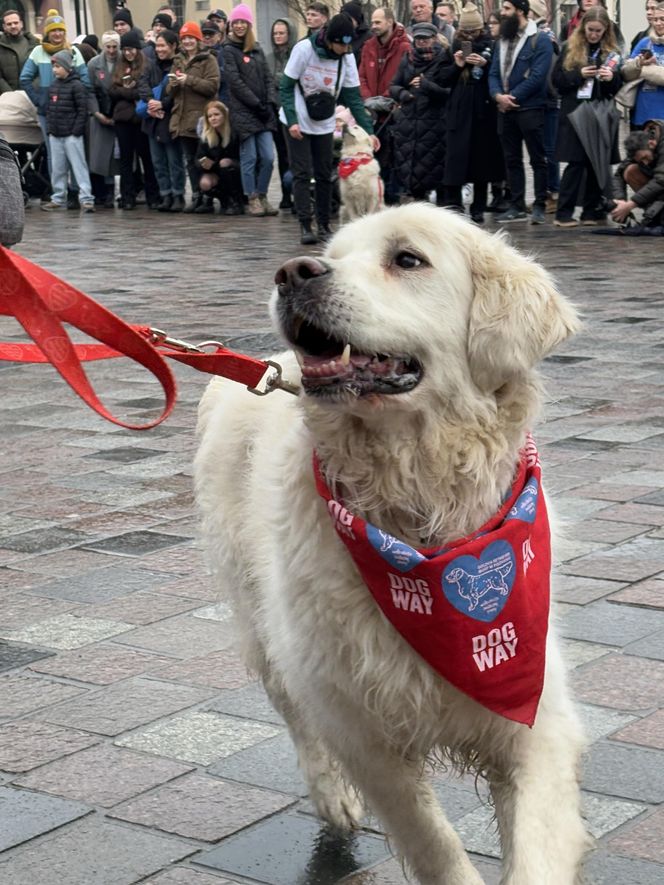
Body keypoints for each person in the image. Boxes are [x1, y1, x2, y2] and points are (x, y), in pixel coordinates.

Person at [280, 12, 376, 244]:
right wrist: (292, 120)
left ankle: (323, 224)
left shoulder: (347, 57)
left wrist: (368, 131)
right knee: (302, 173)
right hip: (298, 118)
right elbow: (285, 87)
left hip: (324, 120)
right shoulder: (304, 50)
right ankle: (305, 224)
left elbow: (353, 97)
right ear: (330, 40)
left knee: (324, 173)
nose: (345, 51)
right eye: (341, 46)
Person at [551, 7, 621, 228]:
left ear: (605, 30)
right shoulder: (570, 48)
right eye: (591, 30)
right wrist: (578, 75)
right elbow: (557, 81)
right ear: (584, 28)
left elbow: (617, 86)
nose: (594, 35)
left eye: (598, 31)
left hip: (600, 112)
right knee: (575, 163)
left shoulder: (611, 51)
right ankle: (564, 213)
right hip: (575, 113)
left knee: (596, 162)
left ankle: (591, 211)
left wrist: (611, 77)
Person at [488, 0, 553, 224]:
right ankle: (516, 204)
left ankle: (539, 204)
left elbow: (537, 76)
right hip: (504, 110)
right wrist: (498, 96)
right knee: (511, 158)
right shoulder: (502, 41)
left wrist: (512, 98)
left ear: (521, 12)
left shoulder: (540, 39)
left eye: (507, 9)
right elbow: (493, 73)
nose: (502, 13)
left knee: (537, 158)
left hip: (530, 108)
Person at [442, 2, 504, 223]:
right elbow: (442, 78)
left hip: (483, 112)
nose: (470, 36)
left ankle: (478, 207)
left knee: (482, 162)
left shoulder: (492, 46)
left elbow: (499, 76)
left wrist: (485, 65)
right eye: (466, 31)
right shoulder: (453, 46)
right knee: (455, 161)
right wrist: (458, 65)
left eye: (474, 32)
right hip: (459, 112)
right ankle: (454, 205)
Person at [223, 4, 278, 218]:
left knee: (267, 157)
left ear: (248, 24)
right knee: (250, 157)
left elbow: (267, 77)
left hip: (263, 112)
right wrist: (256, 103)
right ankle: (252, 197)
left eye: (242, 22)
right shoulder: (229, 50)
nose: (238, 26)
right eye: (235, 22)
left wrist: (270, 102)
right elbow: (235, 82)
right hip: (244, 111)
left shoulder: (256, 49)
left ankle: (262, 193)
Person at [19, 9, 91, 172]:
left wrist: (77, 98)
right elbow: (25, 78)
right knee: (53, 153)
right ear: (47, 33)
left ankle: (75, 190)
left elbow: (86, 80)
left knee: (74, 152)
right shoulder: (38, 51)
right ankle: (59, 194)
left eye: (60, 30)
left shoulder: (73, 51)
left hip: (70, 111)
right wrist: (39, 100)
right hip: (47, 111)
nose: (57, 34)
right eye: (53, 30)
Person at [390, 21, 453, 205]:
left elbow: (449, 93)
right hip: (410, 125)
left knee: (437, 172)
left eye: (425, 39)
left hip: (436, 125)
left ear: (434, 39)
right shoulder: (407, 58)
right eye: (418, 39)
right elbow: (394, 85)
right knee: (414, 175)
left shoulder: (444, 59)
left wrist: (426, 86)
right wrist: (403, 94)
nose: (422, 43)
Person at [358, 6, 411, 205]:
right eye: (372, 22)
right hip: (371, 110)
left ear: (390, 22)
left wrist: (388, 99)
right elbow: (361, 75)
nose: (374, 26)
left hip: (393, 110)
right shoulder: (368, 46)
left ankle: (392, 196)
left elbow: (405, 77)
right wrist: (368, 98)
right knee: (375, 155)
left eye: (378, 22)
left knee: (394, 157)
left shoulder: (404, 46)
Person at [166, 20, 220, 212]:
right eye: (185, 38)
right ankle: (196, 194)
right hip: (182, 118)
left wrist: (189, 80)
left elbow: (212, 87)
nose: (188, 41)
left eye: (191, 38)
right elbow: (168, 91)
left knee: (204, 159)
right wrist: (172, 84)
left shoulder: (208, 59)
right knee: (189, 160)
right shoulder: (178, 60)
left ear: (198, 40)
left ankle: (208, 198)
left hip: (202, 119)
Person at [109, 30, 159, 210]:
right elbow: (112, 90)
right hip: (123, 119)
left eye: (132, 49)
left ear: (138, 49)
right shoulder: (119, 65)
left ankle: (153, 195)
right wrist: (130, 92)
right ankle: (127, 196)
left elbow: (147, 90)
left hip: (140, 118)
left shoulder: (147, 66)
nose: (129, 53)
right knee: (125, 159)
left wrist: (128, 92)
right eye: (126, 49)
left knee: (146, 158)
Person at [40, 49, 95, 212]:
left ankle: (86, 198)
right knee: (58, 168)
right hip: (55, 134)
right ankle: (58, 197)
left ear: (66, 67)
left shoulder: (77, 85)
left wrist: (76, 131)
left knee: (79, 167)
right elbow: (49, 109)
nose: (54, 70)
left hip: (71, 134)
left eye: (57, 66)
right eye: (53, 67)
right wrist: (50, 129)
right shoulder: (53, 86)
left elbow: (82, 110)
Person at [139, 28, 185, 212]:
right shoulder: (150, 65)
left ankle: (178, 194)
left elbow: (178, 93)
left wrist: (162, 104)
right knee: (158, 161)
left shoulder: (179, 65)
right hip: (152, 119)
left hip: (170, 118)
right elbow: (142, 84)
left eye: (163, 45)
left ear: (173, 46)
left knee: (174, 161)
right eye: (157, 45)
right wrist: (151, 102)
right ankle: (165, 194)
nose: (159, 49)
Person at [265, 16, 298, 210]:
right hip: (275, 111)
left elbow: (289, 81)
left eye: (282, 33)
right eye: (275, 33)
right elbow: (269, 81)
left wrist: (280, 80)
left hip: (292, 111)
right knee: (282, 154)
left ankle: (297, 192)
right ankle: (286, 195)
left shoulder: (296, 53)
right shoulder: (269, 57)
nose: (278, 36)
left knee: (295, 155)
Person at [87, 31, 120, 208]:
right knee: (103, 156)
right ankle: (106, 191)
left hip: (121, 113)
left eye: (115, 46)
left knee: (122, 157)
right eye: (108, 46)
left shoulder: (124, 62)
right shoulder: (94, 64)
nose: (112, 50)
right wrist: (96, 113)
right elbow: (90, 90)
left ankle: (128, 190)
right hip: (101, 114)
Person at [611, 120, 664, 225]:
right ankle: (655, 213)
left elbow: (661, 179)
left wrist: (630, 205)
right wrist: (620, 200)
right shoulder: (640, 143)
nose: (645, 162)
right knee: (630, 171)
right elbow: (618, 174)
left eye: (645, 157)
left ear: (651, 143)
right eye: (641, 160)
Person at [195, 100, 243, 214]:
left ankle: (235, 201)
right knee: (205, 183)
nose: (213, 118)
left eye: (216, 114)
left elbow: (240, 157)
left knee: (225, 162)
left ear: (224, 115)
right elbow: (198, 158)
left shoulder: (234, 132)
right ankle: (223, 199)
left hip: (235, 169)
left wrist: (227, 162)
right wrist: (203, 164)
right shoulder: (206, 136)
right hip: (215, 170)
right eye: (210, 116)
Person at [623, 3, 664, 130]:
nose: (658, 23)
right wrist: (639, 64)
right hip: (643, 116)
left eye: (662, 19)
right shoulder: (644, 42)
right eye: (655, 19)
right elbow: (625, 73)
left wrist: (642, 70)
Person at [559, 0, 624, 53]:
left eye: (598, 30)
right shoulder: (569, 26)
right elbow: (561, 55)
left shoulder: (611, 27)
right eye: (590, 29)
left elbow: (621, 53)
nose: (588, 0)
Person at [0, 8, 39, 94]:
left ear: (21, 24)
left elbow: (40, 72)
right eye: (9, 24)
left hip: (32, 97)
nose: (13, 26)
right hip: (6, 99)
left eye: (16, 23)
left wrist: (29, 91)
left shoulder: (34, 45)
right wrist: (11, 94)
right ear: (4, 27)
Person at [200, 20, 228, 104]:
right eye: (204, 34)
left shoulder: (224, 54)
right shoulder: (196, 54)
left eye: (211, 34)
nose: (207, 37)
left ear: (219, 36)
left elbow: (224, 78)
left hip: (219, 101)